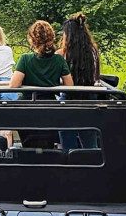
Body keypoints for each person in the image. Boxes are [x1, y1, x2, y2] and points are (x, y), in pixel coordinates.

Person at [57, 12, 100, 149]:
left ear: (68, 35)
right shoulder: (93, 51)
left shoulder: (62, 53)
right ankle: (93, 164)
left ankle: (69, 165)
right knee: (89, 137)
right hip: (89, 96)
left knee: (67, 138)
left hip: (68, 98)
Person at [9, 20, 74, 89]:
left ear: (31, 39)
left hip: (29, 99)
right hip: (50, 99)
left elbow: (14, 85)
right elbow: (69, 85)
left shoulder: (25, 59)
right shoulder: (59, 59)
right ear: (52, 37)